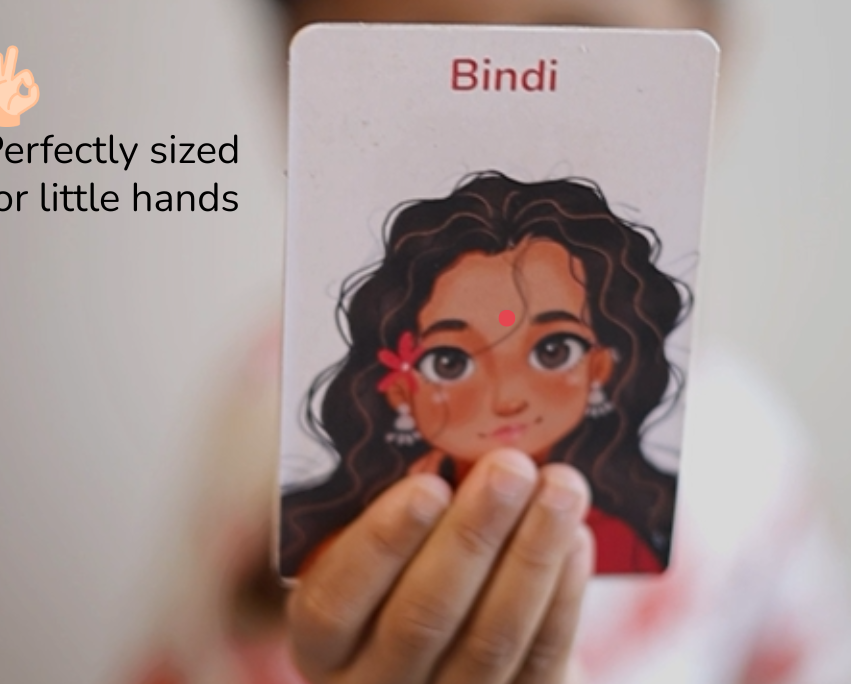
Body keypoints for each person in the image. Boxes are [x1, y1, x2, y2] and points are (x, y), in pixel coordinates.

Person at [126, 0, 851, 684]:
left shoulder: (754, 461)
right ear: (295, 88)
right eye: (420, 69)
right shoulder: (262, 423)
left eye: (581, 54)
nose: (506, 160)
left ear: (713, 65)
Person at [281, 172, 688, 578]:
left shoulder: (618, 543)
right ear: (401, 390)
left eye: (553, 351)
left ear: (599, 367)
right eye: (450, 362)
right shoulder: (344, 546)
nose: (507, 399)